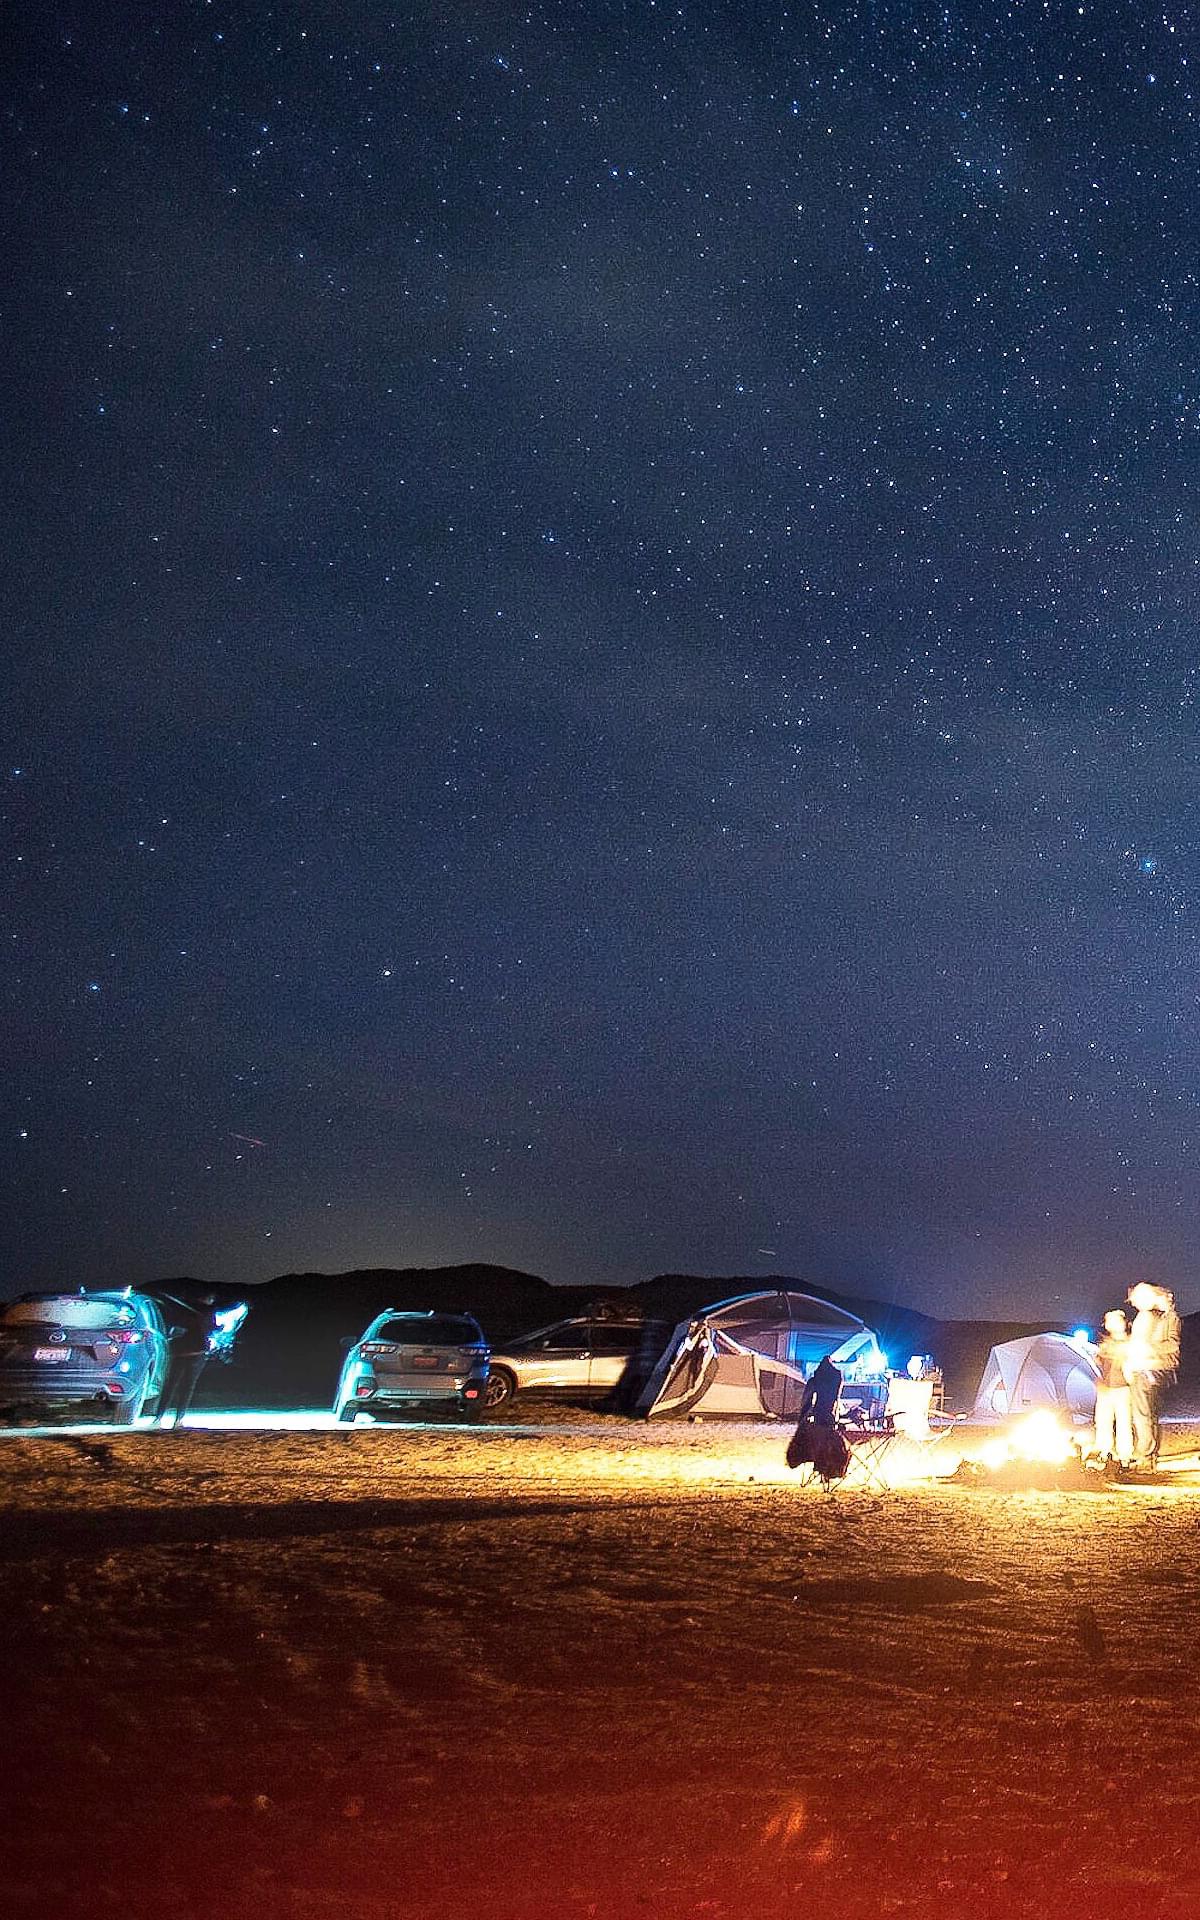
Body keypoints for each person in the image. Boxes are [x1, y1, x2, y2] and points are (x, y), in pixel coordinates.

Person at [157, 1291, 248, 1428]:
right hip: (197, 1351)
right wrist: (219, 1327)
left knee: (172, 1385)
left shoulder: (183, 1309)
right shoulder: (208, 1311)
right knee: (188, 1386)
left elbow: (178, 1326)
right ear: (207, 1298)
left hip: (181, 1351)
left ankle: (159, 1418)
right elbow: (209, 1328)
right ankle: (178, 1419)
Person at [1125, 1282, 1181, 1469]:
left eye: (1136, 1299)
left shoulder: (1164, 1317)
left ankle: (1145, 1455)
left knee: (1143, 1414)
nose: (1134, 1304)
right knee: (1149, 1414)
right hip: (1148, 1368)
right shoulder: (1155, 1316)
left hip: (1149, 1369)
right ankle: (1149, 1456)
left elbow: (1172, 1344)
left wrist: (1146, 1349)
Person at [1091, 1309, 1133, 1468]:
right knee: (1103, 1420)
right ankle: (1104, 1451)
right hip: (1106, 1388)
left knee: (1124, 1421)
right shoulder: (1106, 1344)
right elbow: (1100, 1365)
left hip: (1123, 1388)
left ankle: (1125, 1455)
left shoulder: (1130, 1344)